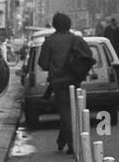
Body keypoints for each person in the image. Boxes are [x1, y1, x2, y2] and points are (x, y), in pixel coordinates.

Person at [37, 13, 94, 154]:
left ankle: (71, 144)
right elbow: (88, 57)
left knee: (65, 111)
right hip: (74, 79)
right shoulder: (76, 39)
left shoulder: (49, 41)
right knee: (72, 110)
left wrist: (53, 64)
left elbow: (43, 64)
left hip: (58, 82)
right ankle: (63, 140)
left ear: (54, 24)